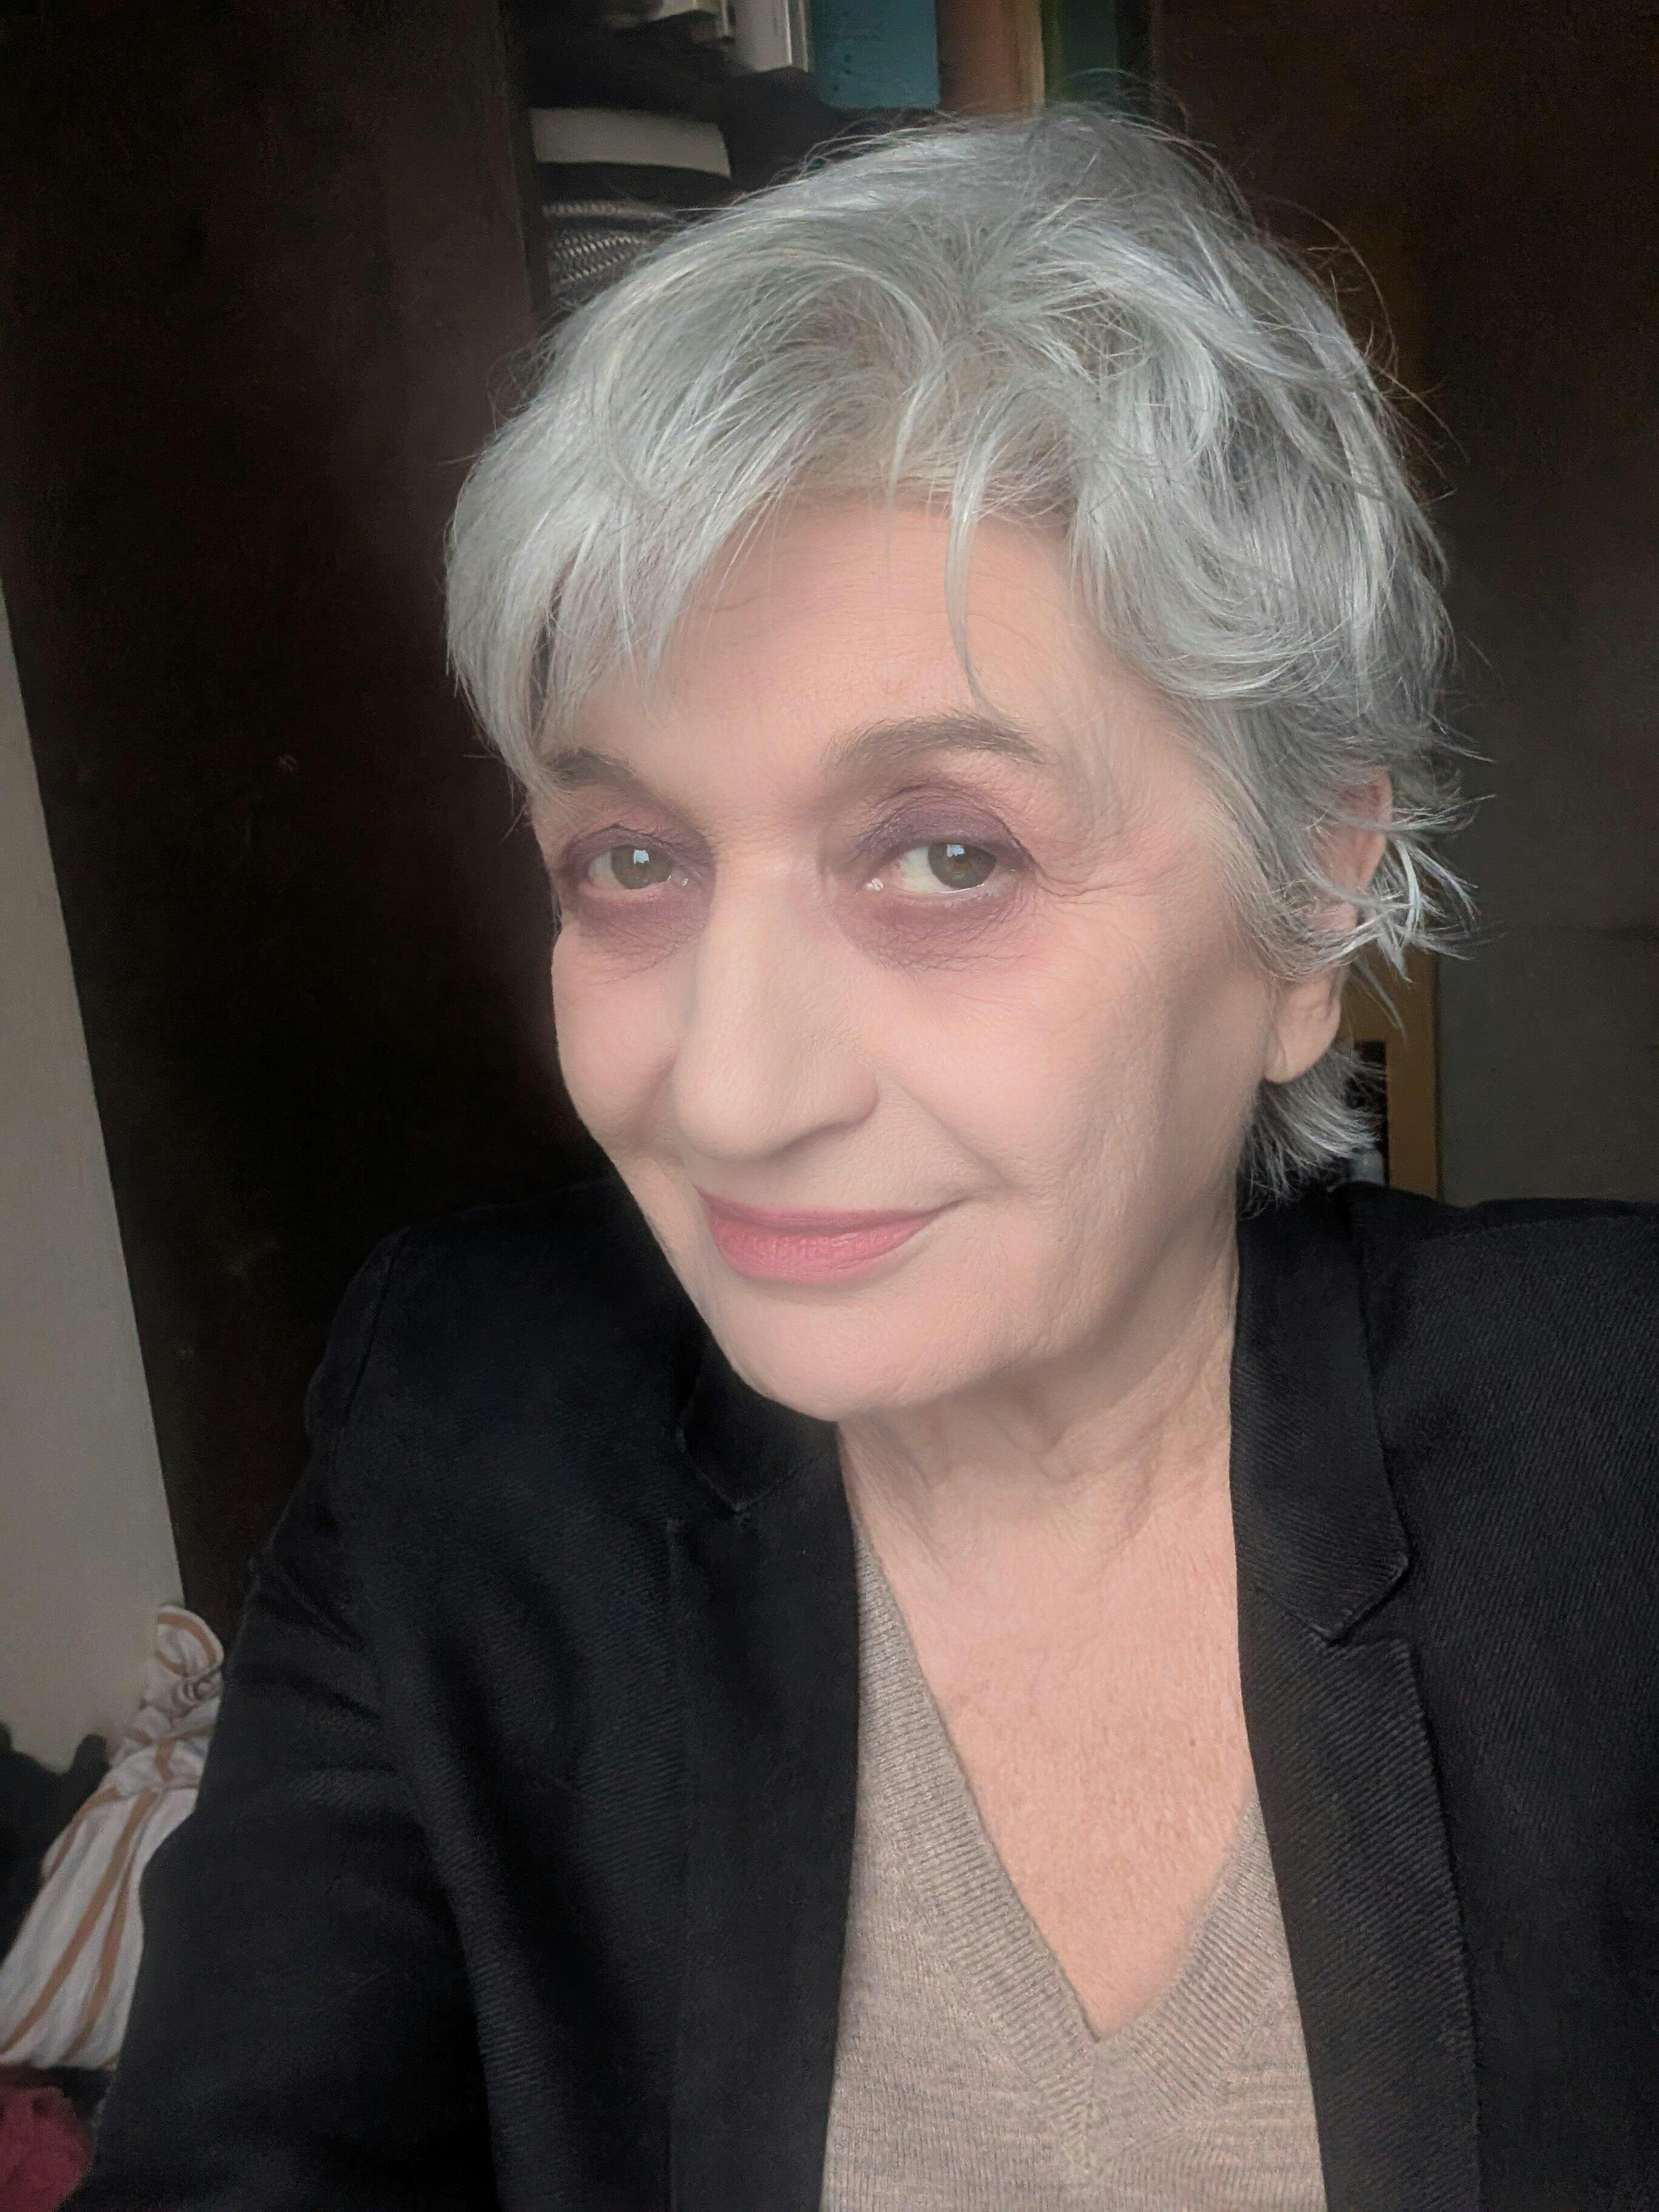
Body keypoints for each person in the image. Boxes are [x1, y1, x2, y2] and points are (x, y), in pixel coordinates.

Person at [73, 106, 1658, 2212]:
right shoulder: (467, 1431)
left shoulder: (1615, 1444)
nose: (729, 1092)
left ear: (1309, 902)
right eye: (632, 858)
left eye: (946, 854)